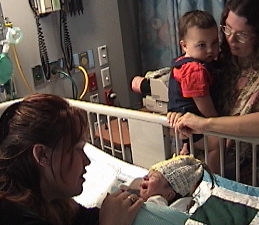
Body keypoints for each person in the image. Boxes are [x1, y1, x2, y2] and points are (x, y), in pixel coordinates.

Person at [0, 93, 143, 225]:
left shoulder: (54, 202)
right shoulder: (11, 216)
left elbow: (87, 219)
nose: (87, 161)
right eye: (77, 149)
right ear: (43, 155)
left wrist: (128, 198)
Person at [168, 0, 259, 185]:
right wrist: (178, 117)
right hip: (202, 164)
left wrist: (207, 124)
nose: (230, 40)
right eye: (227, 30)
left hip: (247, 176)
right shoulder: (219, 61)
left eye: (241, 35)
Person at [167, 10, 220, 172]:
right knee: (217, 144)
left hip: (184, 121)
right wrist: (218, 122)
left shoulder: (182, 62)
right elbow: (202, 101)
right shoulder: (194, 69)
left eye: (215, 43)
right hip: (190, 125)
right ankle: (213, 178)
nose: (210, 50)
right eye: (202, 45)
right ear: (184, 45)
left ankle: (185, 150)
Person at [120, 155, 214, 213]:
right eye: (148, 175)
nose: (145, 178)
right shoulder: (134, 190)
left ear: (168, 195)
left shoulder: (158, 207)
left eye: (152, 177)